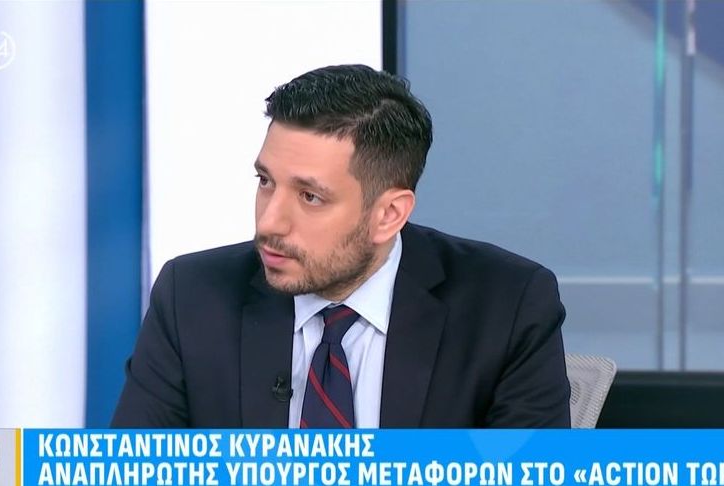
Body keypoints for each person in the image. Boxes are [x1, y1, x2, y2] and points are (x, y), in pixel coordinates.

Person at [112, 64, 570, 428]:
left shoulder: (507, 306)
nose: (269, 223)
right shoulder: (191, 296)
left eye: (310, 197)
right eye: (265, 181)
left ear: (388, 214)